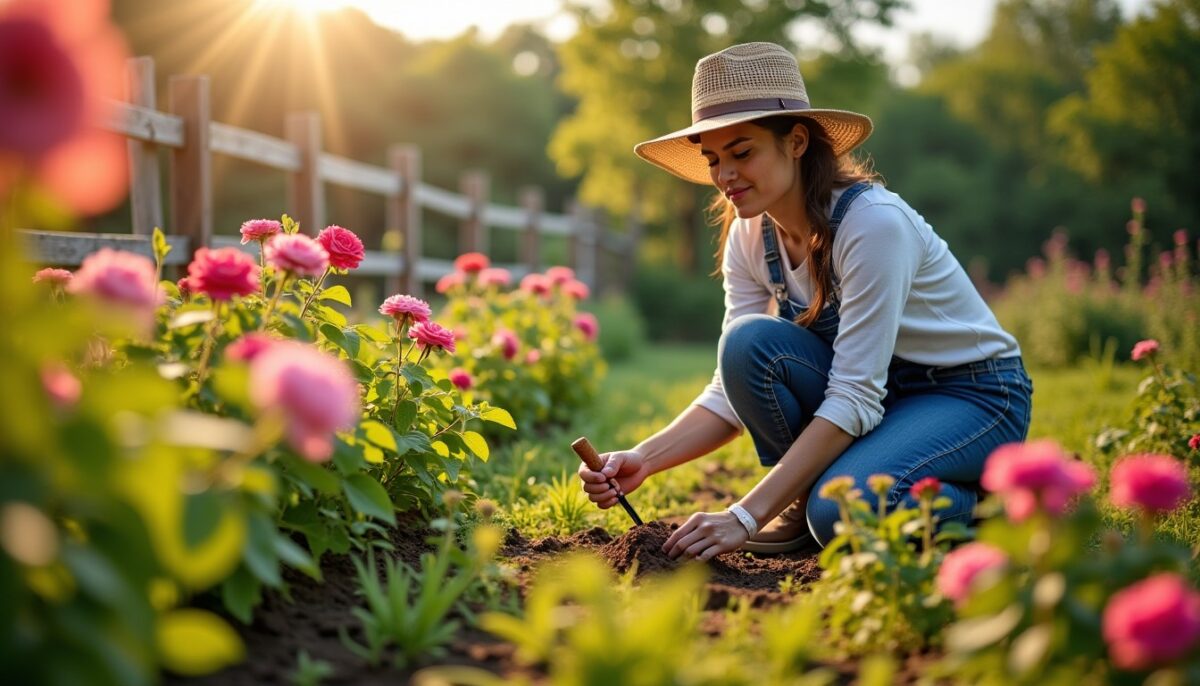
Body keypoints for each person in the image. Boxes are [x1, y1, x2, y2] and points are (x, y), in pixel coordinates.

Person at [577, 42, 1032, 561]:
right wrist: (644, 458)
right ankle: (813, 492)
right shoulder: (749, 234)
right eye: (713, 159)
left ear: (795, 142)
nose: (725, 176)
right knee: (749, 345)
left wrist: (744, 516)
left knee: (840, 513)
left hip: (970, 396)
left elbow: (855, 395)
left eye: (742, 153)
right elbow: (730, 388)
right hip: (880, 399)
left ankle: (984, 505)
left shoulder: (873, 226)